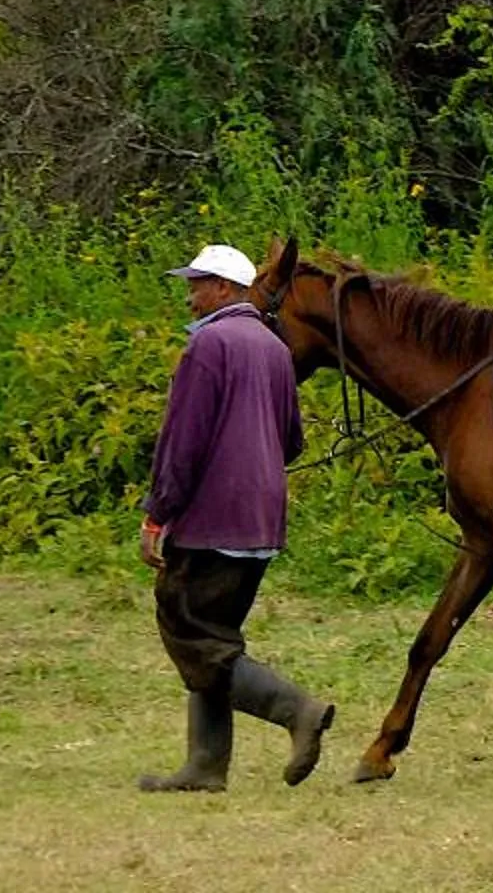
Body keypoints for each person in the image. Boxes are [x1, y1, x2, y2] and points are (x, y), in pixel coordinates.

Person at [137, 240, 335, 793]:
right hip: (263, 520)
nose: (189, 296)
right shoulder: (274, 348)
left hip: (211, 520)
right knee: (215, 632)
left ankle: (297, 710)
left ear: (225, 289)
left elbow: (183, 443)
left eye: (196, 285)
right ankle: (205, 765)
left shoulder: (209, 346)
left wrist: (158, 515)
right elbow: (292, 441)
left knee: (187, 627)